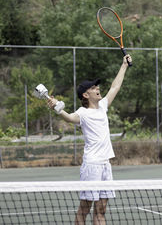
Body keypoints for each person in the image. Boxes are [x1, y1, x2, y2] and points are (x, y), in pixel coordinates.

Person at [48, 54, 132, 225]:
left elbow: (115, 87)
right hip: (92, 166)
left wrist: (123, 65)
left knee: (101, 210)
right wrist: (57, 109)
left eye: (96, 86)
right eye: (93, 87)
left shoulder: (102, 107)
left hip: (105, 165)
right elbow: (70, 118)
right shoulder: (83, 113)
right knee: (85, 209)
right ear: (86, 95)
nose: (97, 88)